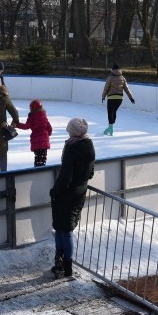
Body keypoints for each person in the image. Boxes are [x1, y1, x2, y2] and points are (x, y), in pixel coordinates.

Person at [49, 118, 96, 278]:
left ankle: (61, 264)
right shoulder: (89, 147)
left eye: (69, 129)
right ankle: (65, 265)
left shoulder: (72, 148)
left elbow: (65, 177)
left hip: (66, 194)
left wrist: (55, 191)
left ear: (73, 131)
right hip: (79, 192)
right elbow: (90, 172)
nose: (68, 132)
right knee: (66, 229)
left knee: (62, 230)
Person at [15, 99, 53, 167]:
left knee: (37, 159)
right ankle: (42, 171)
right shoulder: (43, 116)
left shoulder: (32, 116)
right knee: (43, 159)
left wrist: (17, 124)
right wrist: (46, 135)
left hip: (36, 141)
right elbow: (49, 128)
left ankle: (37, 172)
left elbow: (26, 126)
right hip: (44, 141)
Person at [100, 63, 135, 136]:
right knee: (114, 111)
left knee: (110, 112)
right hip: (119, 98)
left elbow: (106, 88)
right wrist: (131, 98)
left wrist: (103, 96)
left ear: (112, 70)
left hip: (111, 97)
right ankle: (111, 126)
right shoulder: (122, 78)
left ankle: (110, 128)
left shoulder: (110, 77)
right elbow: (126, 89)